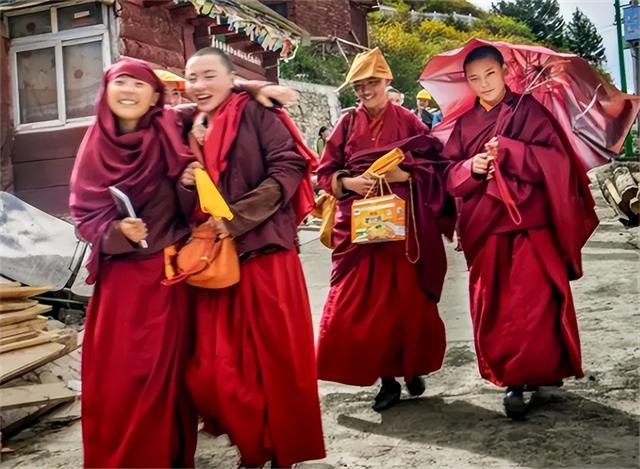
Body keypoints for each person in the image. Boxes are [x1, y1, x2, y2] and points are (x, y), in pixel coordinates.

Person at [183, 47, 325, 468]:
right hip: (216, 259)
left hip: (265, 251)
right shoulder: (188, 123)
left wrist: (238, 217)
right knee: (215, 371)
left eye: (210, 75)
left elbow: (288, 166)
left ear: (230, 79)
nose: (200, 85)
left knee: (278, 361)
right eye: (193, 78)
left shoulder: (257, 113)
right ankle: (252, 442)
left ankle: (281, 450)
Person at [444, 45, 598, 419]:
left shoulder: (531, 111)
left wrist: (511, 151)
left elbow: (558, 163)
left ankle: (534, 373)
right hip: (487, 228)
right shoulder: (465, 124)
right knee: (495, 304)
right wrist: (473, 167)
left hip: (531, 225)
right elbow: (448, 175)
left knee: (533, 304)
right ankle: (512, 375)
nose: (483, 84)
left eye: (490, 74)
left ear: (504, 72)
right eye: (475, 79)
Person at [69, 58, 201, 468]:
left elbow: (216, 96)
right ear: (106, 90)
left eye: (138, 85)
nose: (128, 91)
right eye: (120, 82)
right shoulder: (95, 143)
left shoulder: (169, 130)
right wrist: (116, 232)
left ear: (154, 96)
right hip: (119, 283)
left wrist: (186, 184)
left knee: (165, 378)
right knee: (117, 378)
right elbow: (83, 213)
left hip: (165, 276)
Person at [316, 47, 454, 412]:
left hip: (402, 226)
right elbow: (324, 172)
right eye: (359, 86)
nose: (365, 91)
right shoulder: (346, 124)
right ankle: (386, 380)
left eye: (372, 83)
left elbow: (435, 164)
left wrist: (404, 174)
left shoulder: (409, 121)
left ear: (387, 81)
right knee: (359, 306)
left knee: (405, 305)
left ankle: (410, 370)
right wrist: (349, 182)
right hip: (360, 229)